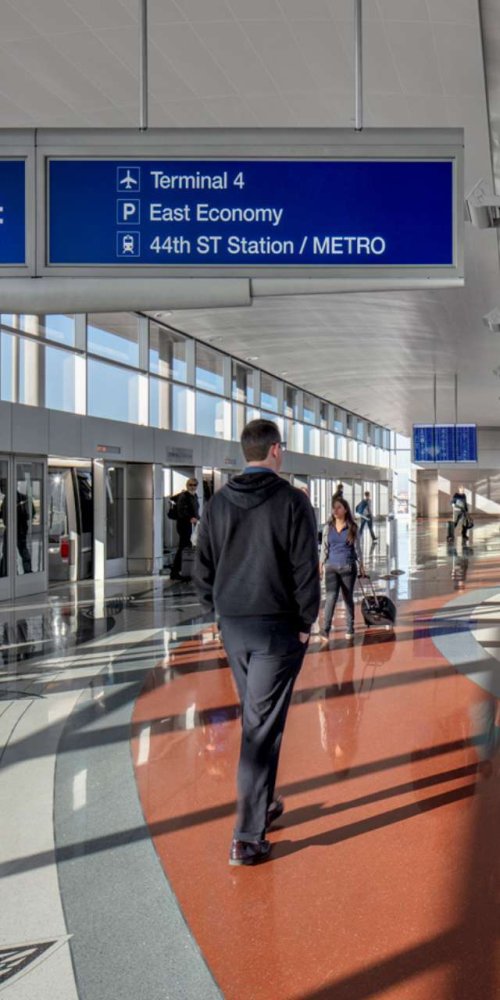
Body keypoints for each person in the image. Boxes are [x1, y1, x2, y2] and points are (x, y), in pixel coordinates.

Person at [194, 419, 320, 867]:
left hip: (235, 627)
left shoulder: (218, 504)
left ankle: (263, 804)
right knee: (261, 725)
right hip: (278, 628)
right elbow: (306, 568)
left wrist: (217, 609)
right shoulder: (292, 502)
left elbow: (201, 568)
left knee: (259, 716)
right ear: (275, 452)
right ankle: (247, 837)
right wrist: (307, 621)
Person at [319, 496, 363, 645]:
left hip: (348, 566)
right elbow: (324, 547)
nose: (335, 510)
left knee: (347, 597)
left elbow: (357, 548)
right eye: (334, 508)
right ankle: (325, 629)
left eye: (338, 507)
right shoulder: (328, 527)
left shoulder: (352, 527)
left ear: (345, 510)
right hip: (331, 566)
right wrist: (320, 564)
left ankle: (350, 628)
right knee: (330, 597)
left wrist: (362, 565)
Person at [170, 478, 200, 581]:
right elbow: (181, 510)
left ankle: (182, 570)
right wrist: (190, 518)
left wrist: (198, 519)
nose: (193, 486)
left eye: (195, 485)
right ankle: (175, 571)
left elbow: (195, 510)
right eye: (191, 485)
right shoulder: (184, 496)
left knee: (186, 547)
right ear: (187, 485)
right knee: (183, 547)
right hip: (184, 525)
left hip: (191, 525)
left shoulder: (194, 496)